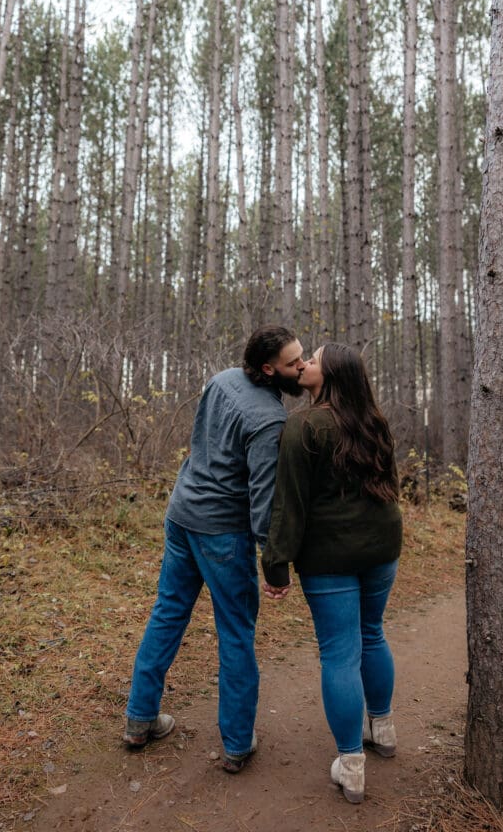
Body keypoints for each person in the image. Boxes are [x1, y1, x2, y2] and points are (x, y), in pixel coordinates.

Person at [124, 325, 304, 772]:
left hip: (181, 513)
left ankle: (138, 721)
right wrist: (273, 563)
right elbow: (263, 500)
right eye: (292, 363)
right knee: (236, 632)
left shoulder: (221, 379)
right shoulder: (270, 420)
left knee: (168, 612)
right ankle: (238, 743)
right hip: (220, 532)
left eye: (302, 357)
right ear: (268, 369)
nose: (301, 367)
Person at [261, 343, 402, 804]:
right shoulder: (373, 420)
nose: (304, 365)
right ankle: (382, 729)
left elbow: (289, 504)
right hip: (382, 547)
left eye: (314, 360)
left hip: (331, 558)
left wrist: (275, 565)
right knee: (372, 634)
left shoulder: (304, 426)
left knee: (341, 655)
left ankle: (352, 764)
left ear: (332, 375)